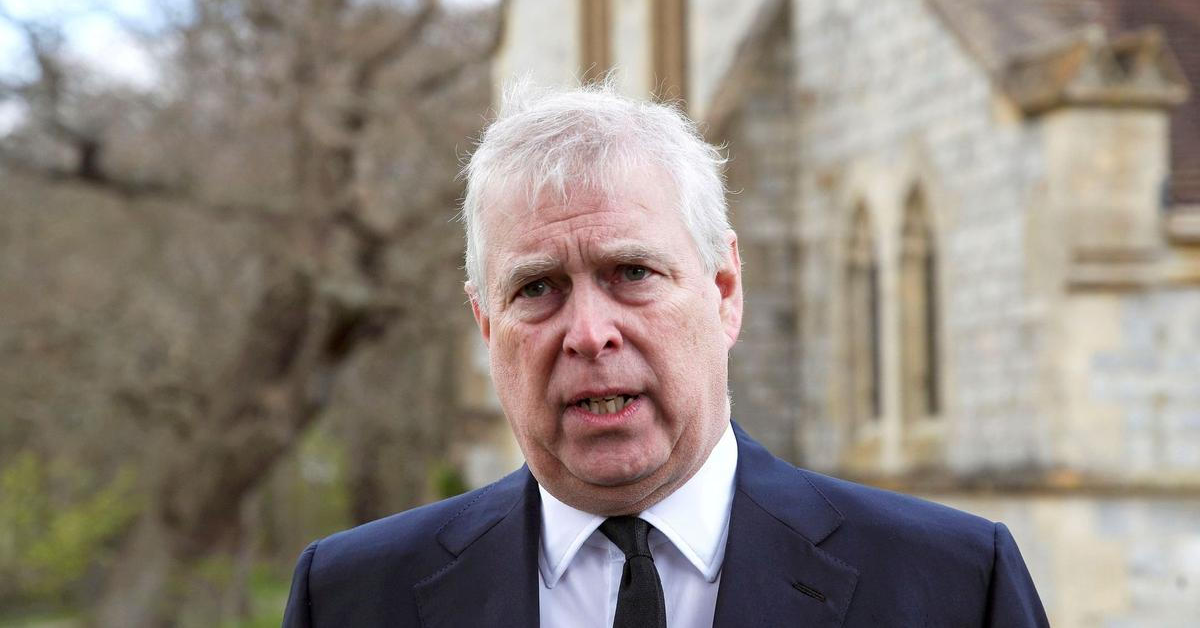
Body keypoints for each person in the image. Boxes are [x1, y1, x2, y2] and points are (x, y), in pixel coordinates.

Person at [282, 83, 1049, 627]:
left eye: (633, 274)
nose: (589, 332)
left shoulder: (951, 587)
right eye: (539, 288)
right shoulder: (351, 598)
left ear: (724, 290)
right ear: (486, 324)